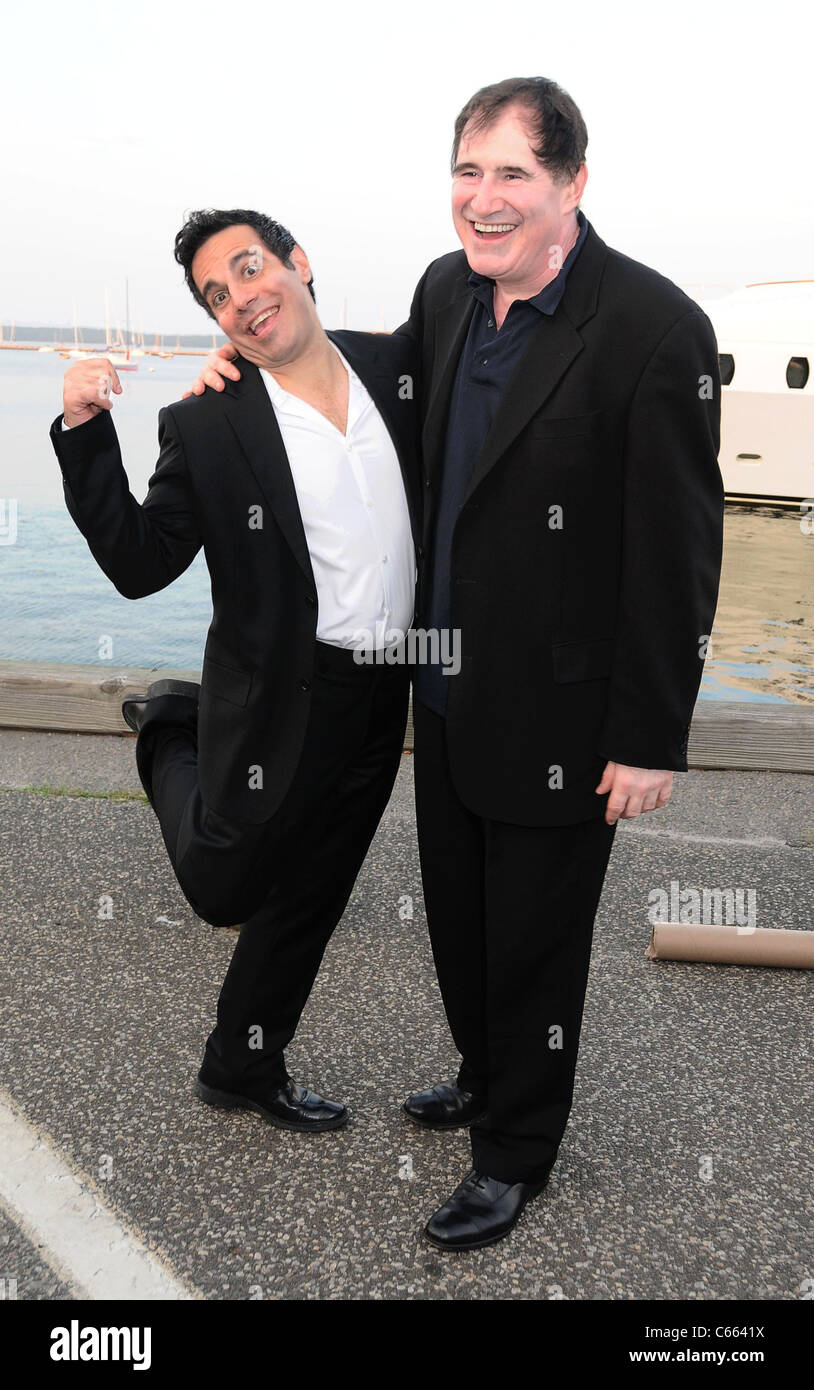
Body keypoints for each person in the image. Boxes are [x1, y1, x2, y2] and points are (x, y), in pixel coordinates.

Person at [190, 75, 725, 1251]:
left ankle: (514, 1152)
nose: (483, 201)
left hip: (567, 712)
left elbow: (679, 550)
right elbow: (365, 374)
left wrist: (648, 734)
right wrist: (254, 356)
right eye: (467, 173)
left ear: (572, 183)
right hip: (443, 684)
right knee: (461, 924)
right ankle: (483, 1076)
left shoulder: (651, 329)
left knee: (535, 940)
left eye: (512, 175)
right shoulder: (448, 292)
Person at [50, 209, 421, 1134]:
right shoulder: (208, 423)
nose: (241, 298)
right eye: (219, 294)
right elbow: (141, 564)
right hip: (288, 691)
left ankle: (241, 1065)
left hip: (391, 687)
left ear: (298, 263)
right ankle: (173, 732)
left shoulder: (401, 370)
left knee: (316, 891)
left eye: (249, 269)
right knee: (225, 890)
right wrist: (84, 427)